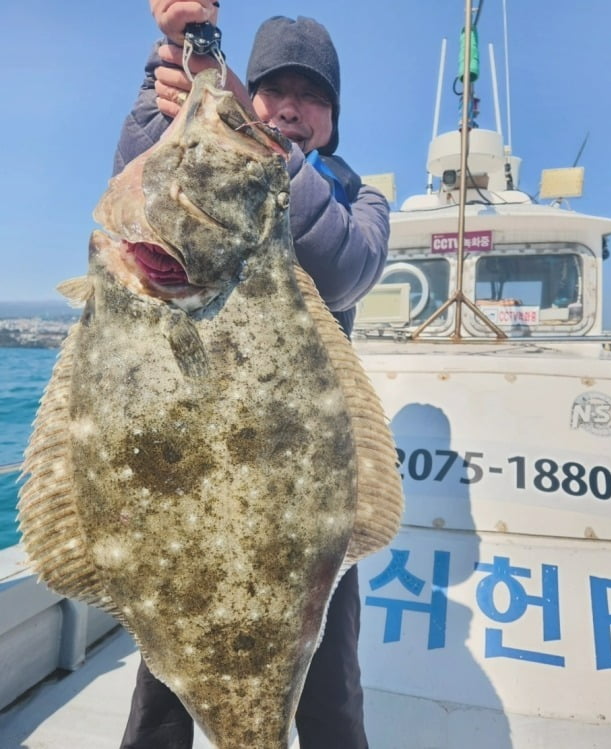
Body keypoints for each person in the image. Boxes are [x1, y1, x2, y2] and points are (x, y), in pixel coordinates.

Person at [115, 3, 390, 748]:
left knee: (330, 698)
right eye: (274, 91)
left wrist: (253, 133)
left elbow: (342, 266)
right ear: (250, 91)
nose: (292, 110)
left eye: (313, 96)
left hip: (310, 494)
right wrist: (171, 56)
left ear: (332, 116)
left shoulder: (359, 201)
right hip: (186, 475)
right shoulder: (211, 163)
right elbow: (143, 178)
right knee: (160, 694)